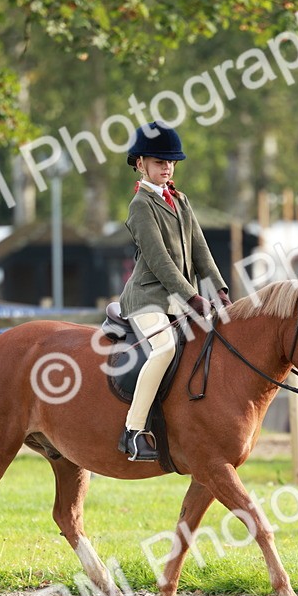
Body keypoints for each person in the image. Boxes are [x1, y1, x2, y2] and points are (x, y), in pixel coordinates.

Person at [116, 122, 231, 461]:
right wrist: (193, 297)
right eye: (158, 162)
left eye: (170, 162)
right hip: (147, 299)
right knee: (164, 349)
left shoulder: (180, 201)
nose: (166, 167)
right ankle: (133, 431)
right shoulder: (140, 205)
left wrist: (219, 289)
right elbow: (160, 261)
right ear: (141, 164)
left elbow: (201, 251)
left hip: (179, 301)